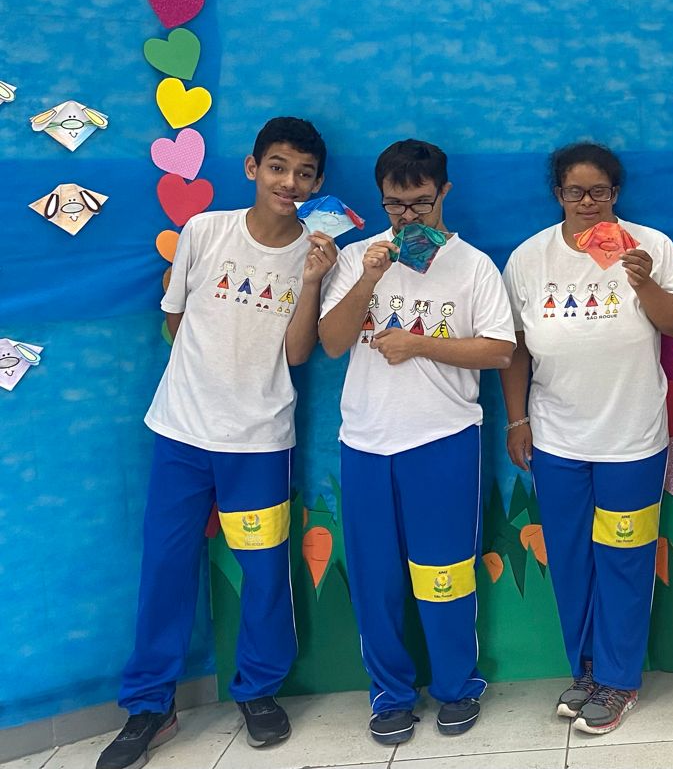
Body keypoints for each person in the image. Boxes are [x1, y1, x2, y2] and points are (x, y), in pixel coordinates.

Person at [100, 118, 334, 769]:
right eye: (278, 166)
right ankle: (150, 704)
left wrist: (314, 280)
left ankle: (257, 690)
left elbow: (298, 353)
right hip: (181, 433)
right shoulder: (205, 231)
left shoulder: (318, 254)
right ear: (252, 167)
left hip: (260, 442)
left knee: (265, 571)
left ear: (317, 183)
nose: (289, 182)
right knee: (165, 567)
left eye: (304, 173)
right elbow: (177, 318)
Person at [318, 140, 515, 746]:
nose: (408, 217)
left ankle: (458, 687)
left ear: (444, 193)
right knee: (375, 578)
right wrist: (369, 278)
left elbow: (499, 351)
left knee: (445, 573)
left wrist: (420, 344)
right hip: (366, 441)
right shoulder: (358, 257)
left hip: (444, 438)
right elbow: (332, 342)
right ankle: (390, 695)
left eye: (421, 204)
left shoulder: (474, 266)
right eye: (395, 205)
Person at [500, 143, 673, 735]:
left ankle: (619, 680)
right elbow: (514, 347)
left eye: (599, 192)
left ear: (616, 193)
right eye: (575, 192)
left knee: (625, 560)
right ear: (557, 194)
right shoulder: (528, 257)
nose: (588, 203)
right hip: (557, 439)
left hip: (631, 439)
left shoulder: (648, 246)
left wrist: (643, 282)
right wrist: (517, 420)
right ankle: (585, 671)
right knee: (570, 559)